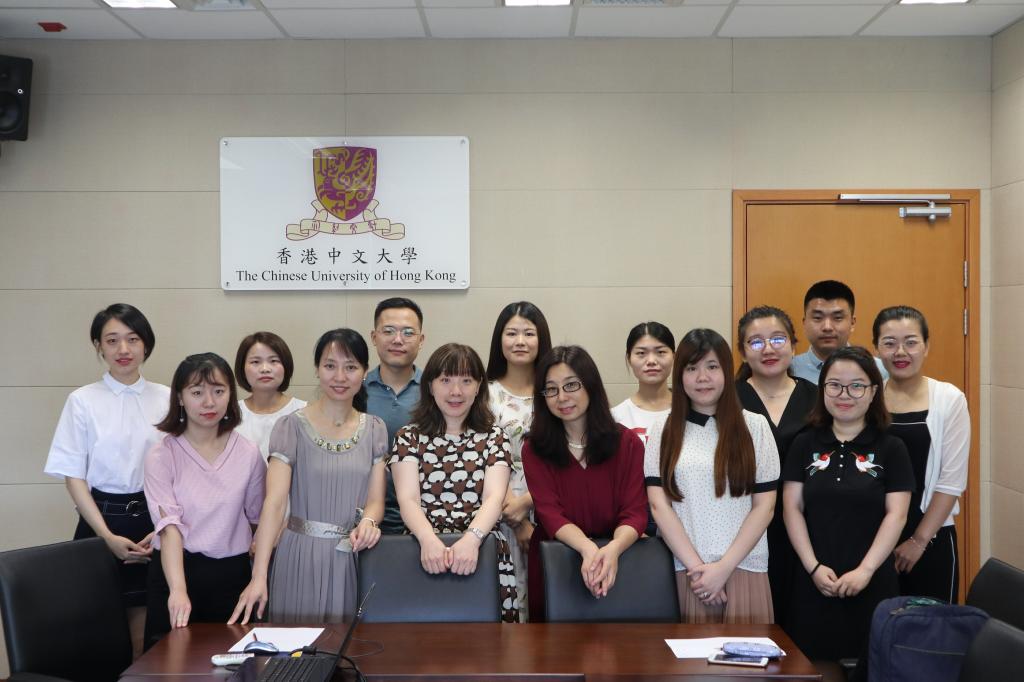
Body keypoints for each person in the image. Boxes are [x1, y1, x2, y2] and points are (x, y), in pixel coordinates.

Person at [230, 329, 387, 624]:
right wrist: (259, 576)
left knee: (349, 646)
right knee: (294, 645)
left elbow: (376, 501)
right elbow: (275, 503)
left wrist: (368, 521)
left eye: (350, 367)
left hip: (353, 556)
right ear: (317, 369)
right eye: (330, 366)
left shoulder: (375, 429)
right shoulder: (291, 426)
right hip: (299, 553)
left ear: (365, 371)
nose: (340, 376)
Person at [44, 303, 170, 656]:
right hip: (100, 518)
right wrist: (106, 536)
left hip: (154, 518)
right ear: (98, 346)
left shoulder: (167, 397)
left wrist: (162, 526)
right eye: (112, 340)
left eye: (133, 339)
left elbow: (179, 471)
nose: (123, 349)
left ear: (146, 343)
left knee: (149, 622)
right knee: (97, 623)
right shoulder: (82, 401)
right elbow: (73, 476)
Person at [782, 346, 913, 667]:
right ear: (822, 389)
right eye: (834, 385)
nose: (845, 394)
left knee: (871, 666)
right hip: (815, 579)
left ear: (873, 392)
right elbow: (792, 509)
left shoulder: (892, 447)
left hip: (872, 580)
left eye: (856, 386)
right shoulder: (804, 443)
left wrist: (865, 571)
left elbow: (897, 515)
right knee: (813, 666)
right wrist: (813, 567)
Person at [645, 329, 778, 624]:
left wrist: (723, 568)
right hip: (689, 573)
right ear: (679, 375)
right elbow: (659, 506)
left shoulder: (755, 426)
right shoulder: (663, 429)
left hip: (745, 567)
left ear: (727, 371)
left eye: (712, 367)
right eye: (692, 368)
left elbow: (765, 507)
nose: (702, 377)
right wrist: (698, 569)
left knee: (748, 653)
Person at [143, 353, 265, 648]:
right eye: (197, 392)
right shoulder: (162, 454)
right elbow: (170, 529)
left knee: (236, 661)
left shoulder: (248, 452)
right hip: (177, 572)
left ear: (231, 395)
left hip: (232, 575)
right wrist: (178, 590)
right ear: (180, 397)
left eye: (219, 391)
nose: (209, 402)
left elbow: (258, 517)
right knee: (171, 661)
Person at [390, 343, 518, 622]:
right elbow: (407, 498)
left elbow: (494, 497)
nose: (456, 391)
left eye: (466, 381)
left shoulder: (495, 437)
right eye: (446, 380)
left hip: (481, 549)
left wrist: (471, 540)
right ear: (430, 385)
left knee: (490, 643)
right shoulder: (408, 437)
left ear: (479, 386)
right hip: (422, 550)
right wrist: (428, 540)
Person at [523, 345, 648, 621]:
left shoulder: (628, 443)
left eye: (571, 385)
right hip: (557, 561)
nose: (562, 397)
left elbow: (635, 512)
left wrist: (612, 550)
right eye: (551, 389)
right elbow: (550, 513)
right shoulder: (534, 449)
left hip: (617, 559)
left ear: (590, 385)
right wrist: (587, 548)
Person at [873, 306, 968, 603]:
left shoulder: (949, 399)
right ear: (876, 348)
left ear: (926, 346)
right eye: (889, 343)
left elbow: (952, 481)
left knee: (930, 626)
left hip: (931, 537)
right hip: (874, 537)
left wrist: (918, 541)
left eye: (911, 342)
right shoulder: (869, 398)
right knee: (874, 625)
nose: (900, 352)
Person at [734, 306, 816, 628]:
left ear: (793, 345)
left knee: (801, 622)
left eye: (778, 339)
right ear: (743, 352)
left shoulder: (817, 398)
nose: (768, 349)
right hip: (745, 527)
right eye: (756, 342)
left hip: (807, 527)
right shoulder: (728, 400)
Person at [485, 301, 552, 621]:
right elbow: (477, 459)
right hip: (496, 515)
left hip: (549, 512)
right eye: (511, 333)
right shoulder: (484, 395)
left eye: (529, 333)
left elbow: (568, 457)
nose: (520, 341)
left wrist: (528, 502)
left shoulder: (554, 392)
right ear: (500, 339)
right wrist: (518, 520)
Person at [365, 297, 425, 535]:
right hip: (364, 520)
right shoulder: (355, 392)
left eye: (408, 332)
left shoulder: (437, 391)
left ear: (421, 340)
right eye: (388, 331)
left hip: (426, 520)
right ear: (374, 337)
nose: (398, 340)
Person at [790, 280, 887, 384]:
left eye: (837, 318)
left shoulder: (879, 370)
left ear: (852, 323)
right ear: (804, 323)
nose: (827, 327)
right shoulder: (789, 369)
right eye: (818, 317)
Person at [234, 331, 306, 462]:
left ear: (286, 366)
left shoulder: (304, 412)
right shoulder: (231, 413)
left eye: (273, 361)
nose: (265, 369)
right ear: (242, 368)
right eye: (255, 362)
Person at [611, 322, 675, 445]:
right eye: (641, 353)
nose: (651, 361)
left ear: (674, 356)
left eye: (660, 352)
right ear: (629, 359)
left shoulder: (690, 412)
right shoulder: (615, 418)